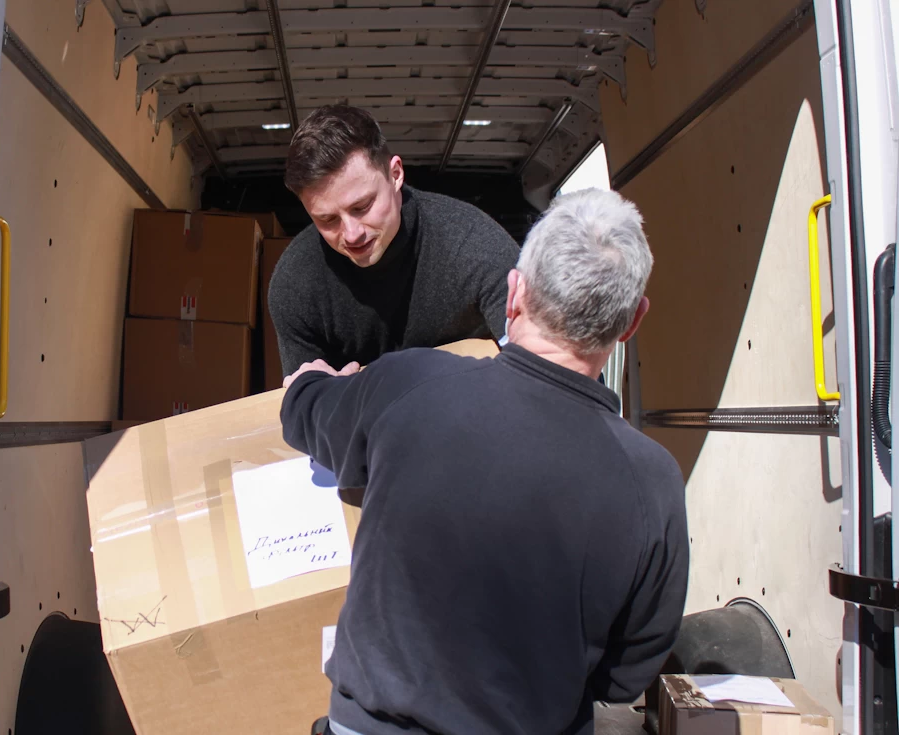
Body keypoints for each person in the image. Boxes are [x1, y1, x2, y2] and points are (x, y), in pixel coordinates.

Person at [281, 188, 689, 735]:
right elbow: (624, 678)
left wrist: (310, 383)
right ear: (632, 322)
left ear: (514, 291)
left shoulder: (408, 385)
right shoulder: (654, 481)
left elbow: (303, 415)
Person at [267, 105, 521, 381]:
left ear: (396, 174)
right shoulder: (295, 284)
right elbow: (305, 408)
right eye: (327, 220)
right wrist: (311, 397)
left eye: (362, 206)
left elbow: (543, 370)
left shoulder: (475, 246)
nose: (351, 234)